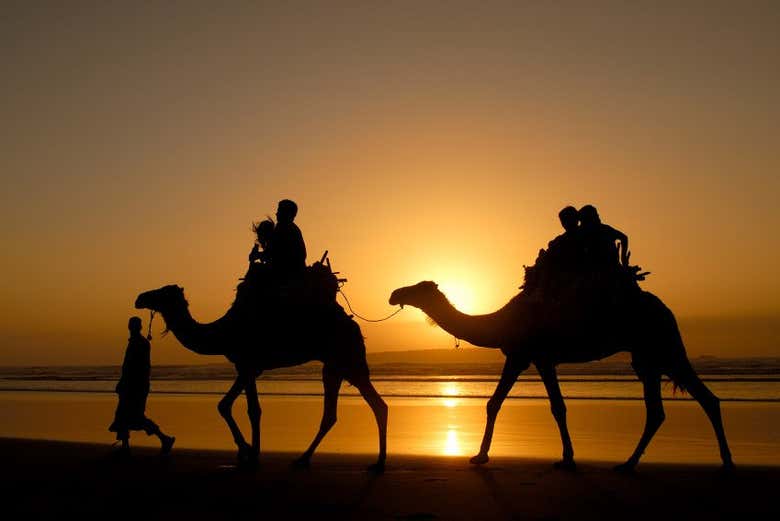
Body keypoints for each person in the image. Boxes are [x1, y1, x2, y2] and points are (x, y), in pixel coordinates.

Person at [109, 317, 174, 455]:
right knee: (124, 415)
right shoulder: (138, 343)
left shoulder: (140, 343)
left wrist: (127, 383)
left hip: (135, 386)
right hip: (133, 385)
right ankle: (126, 446)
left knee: (136, 417)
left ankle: (164, 439)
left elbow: (138, 368)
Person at [578, 204, 629, 269]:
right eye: (595, 216)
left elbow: (624, 238)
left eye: (597, 215)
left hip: (611, 268)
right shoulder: (581, 232)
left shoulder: (605, 229)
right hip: (594, 270)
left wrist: (623, 258)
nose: (598, 217)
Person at [269, 199, 307, 278]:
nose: (276, 214)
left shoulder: (288, 229)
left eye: (279, 211)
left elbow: (276, 252)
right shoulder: (282, 228)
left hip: (289, 273)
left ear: (287, 214)